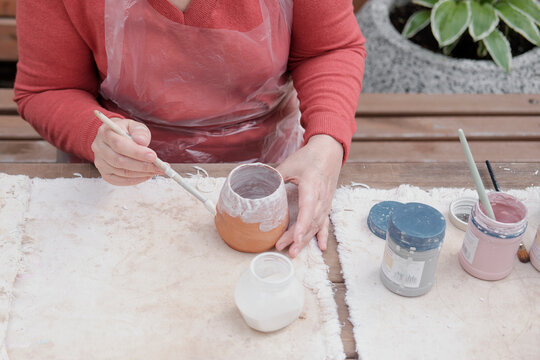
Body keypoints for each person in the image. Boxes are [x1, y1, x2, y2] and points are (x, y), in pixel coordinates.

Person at [14, 0, 366, 257]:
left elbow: (329, 48)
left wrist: (326, 143)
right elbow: (48, 88)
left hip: (275, 168)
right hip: (119, 178)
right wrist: (94, 135)